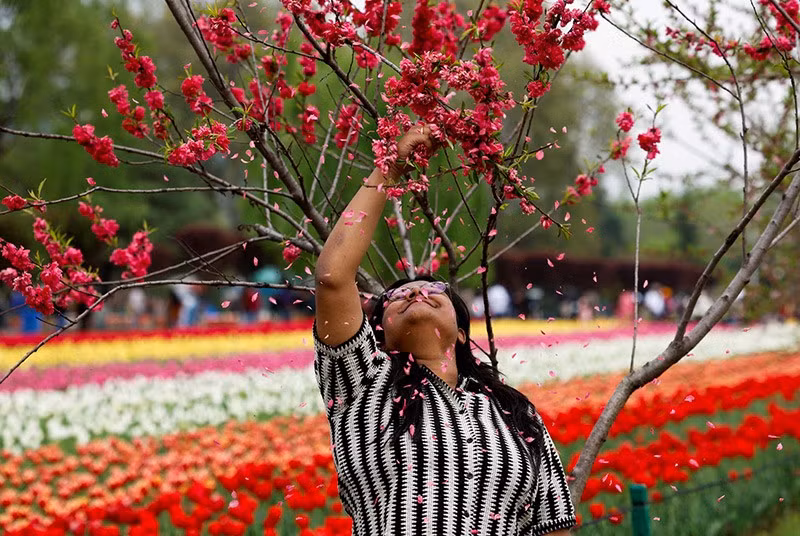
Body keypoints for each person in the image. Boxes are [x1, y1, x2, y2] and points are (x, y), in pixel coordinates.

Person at [314, 124, 576, 535]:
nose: (416, 292)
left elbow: (553, 526)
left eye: (433, 288)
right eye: (397, 297)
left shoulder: (515, 412)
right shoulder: (364, 387)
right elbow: (333, 276)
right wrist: (391, 168)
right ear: (378, 334)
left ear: (459, 331)